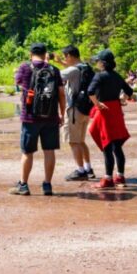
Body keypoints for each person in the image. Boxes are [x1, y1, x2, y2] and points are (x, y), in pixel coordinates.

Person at [10, 43, 66, 197]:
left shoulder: (24, 67)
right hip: (51, 116)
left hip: (30, 117)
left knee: (27, 152)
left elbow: (18, 83)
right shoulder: (54, 70)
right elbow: (61, 93)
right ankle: (47, 184)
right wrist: (62, 114)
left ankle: (23, 185)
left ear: (30, 54)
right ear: (45, 53)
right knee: (49, 151)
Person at [86, 49, 133, 189]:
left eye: (98, 61)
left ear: (103, 63)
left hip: (105, 111)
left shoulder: (99, 76)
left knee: (107, 146)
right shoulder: (117, 76)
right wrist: (122, 99)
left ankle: (107, 179)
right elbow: (129, 92)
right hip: (116, 110)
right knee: (117, 146)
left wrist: (97, 103)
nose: (97, 63)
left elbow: (90, 92)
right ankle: (120, 176)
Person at [61, 45, 96, 181]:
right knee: (81, 141)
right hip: (85, 109)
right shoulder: (86, 67)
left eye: (65, 57)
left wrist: (46, 62)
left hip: (74, 110)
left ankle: (80, 171)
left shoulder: (73, 70)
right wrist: (60, 62)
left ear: (69, 55)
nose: (65, 59)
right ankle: (88, 168)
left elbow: (54, 75)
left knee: (73, 141)